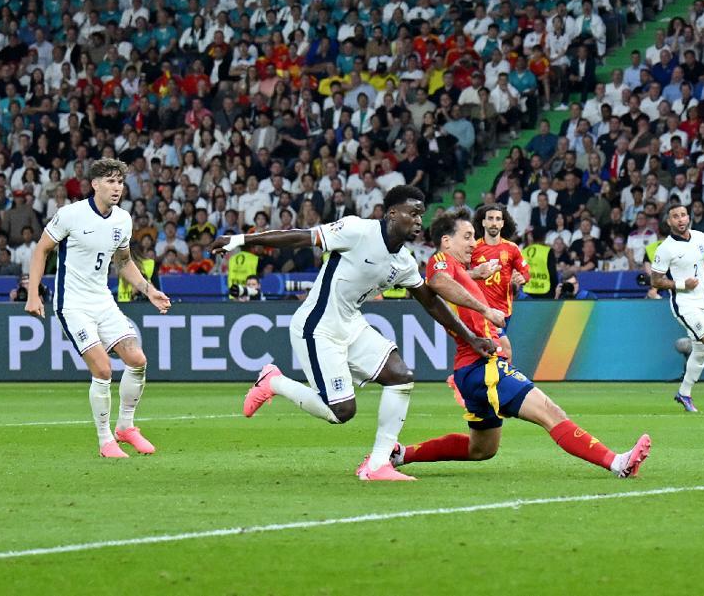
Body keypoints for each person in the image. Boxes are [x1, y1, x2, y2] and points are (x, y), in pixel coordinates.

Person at [213, 185, 502, 482]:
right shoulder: (356, 230)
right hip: (317, 327)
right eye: (413, 213)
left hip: (351, 324)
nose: (418, 220)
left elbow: (431, 301)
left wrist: (470, 338)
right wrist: (238, 240)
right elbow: (300, 237)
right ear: (392, 213)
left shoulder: (403, 261)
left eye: (421, 215)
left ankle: (377, 464)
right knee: (340, 411)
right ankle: (274, 381)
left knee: (400, 376)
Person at [391, 215, 651, 478]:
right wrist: (486, 310)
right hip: (484, 368)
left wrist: (476, 278)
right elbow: (437, 281)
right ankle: (618, 462)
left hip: (472, 368)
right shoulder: (441, 260)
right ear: (446, 241)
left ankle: (401, 454)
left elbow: (447, 283)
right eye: (467, 236)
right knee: (551, 412)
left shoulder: (459, 270)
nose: (473, 243)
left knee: (482, 449)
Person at [25, 159, 173, 458]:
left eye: (120, 182)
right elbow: (41, 248)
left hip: (103, 301)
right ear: (95, 185)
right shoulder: (71, 215)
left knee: (137, 359)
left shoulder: (122, 220)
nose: (117, 188)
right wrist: (33, 294)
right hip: (73, 305)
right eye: (110, 182)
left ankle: (126, 427)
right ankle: (106, 440)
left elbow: (123, 262)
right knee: (103, 369)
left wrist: (148, 289)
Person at [650, 202, 704, 413]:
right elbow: (655, 280)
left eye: (683, 215)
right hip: (684, 303)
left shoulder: (700, 237)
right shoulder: (665, 249)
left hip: (703, 300)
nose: (680, 219)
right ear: (669, 221)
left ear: (688, 217)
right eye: (675, 216)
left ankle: (684, 393)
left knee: (700, 351)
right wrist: (681, 285)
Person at [469, 204, 529, 361]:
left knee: (490, 354)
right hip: (482, 309)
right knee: (505, 351)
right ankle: (508, 384)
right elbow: (459, 272)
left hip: (504, 310)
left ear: (503, 223)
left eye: (497, 219)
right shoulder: (473, 248)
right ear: (483, 223)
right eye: (490, 219)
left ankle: (484, 383)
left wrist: (523, 278)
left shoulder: (512, 249)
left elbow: (525, 272)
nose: (494, 223)